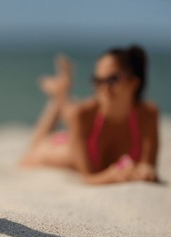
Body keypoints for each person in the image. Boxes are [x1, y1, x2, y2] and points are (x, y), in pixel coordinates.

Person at [20, 45, 159, 184]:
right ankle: (59, 95)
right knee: (33, 150)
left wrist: (145, 172)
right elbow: (87, 178)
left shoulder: (148, 114)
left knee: (70, 112)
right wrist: (114, 176)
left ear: (133, 82)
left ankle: (61, 93)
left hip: (78, 133)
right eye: (98, 81)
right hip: (59, 149)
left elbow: (148, 167)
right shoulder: (83, 115)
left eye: (113, 80)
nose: (104, 88)